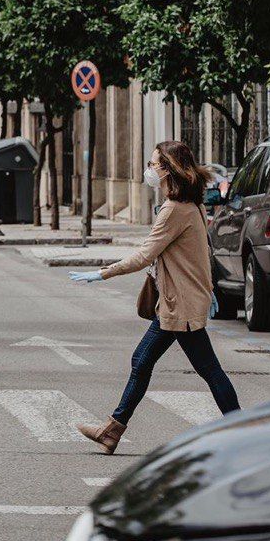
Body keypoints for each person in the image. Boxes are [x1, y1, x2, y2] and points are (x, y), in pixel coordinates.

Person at [69, 140, 240, 454]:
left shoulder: (174, 210)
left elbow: (144, 255)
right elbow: (200, 254)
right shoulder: (192, 205)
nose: (149, 170)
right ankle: (111, 431)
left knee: (207, 370)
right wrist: (208, 289)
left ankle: (243, 432)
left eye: (153, 164)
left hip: (180, 306)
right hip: (178, 302)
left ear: (167, 170)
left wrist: (103, 273)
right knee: (145, 361)